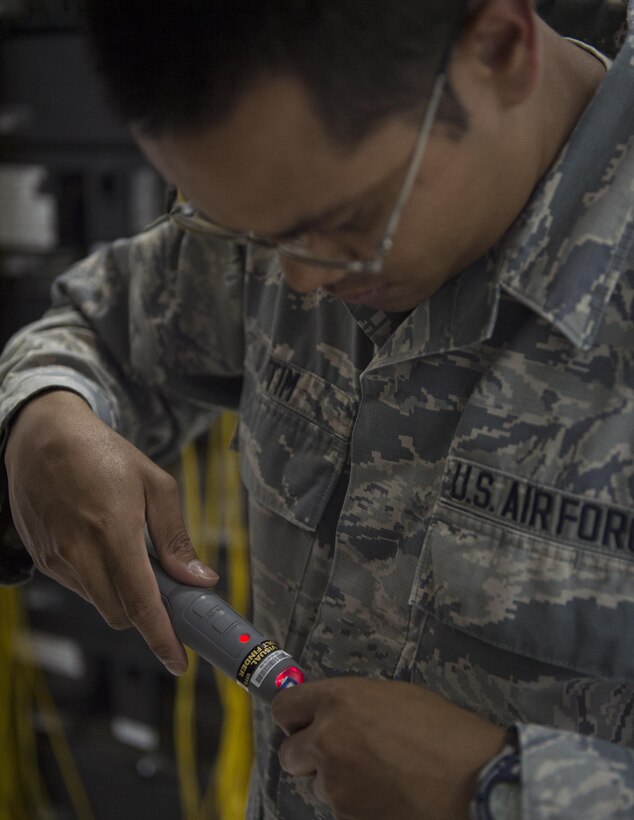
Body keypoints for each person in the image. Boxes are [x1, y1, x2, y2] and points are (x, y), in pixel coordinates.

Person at [1, 0, 633, 816]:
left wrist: (503, 789)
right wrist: (43, 417)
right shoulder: (294, 193)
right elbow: (95, 326)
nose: (298, 283)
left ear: (501, 48)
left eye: (345, 225)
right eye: (251, 234)